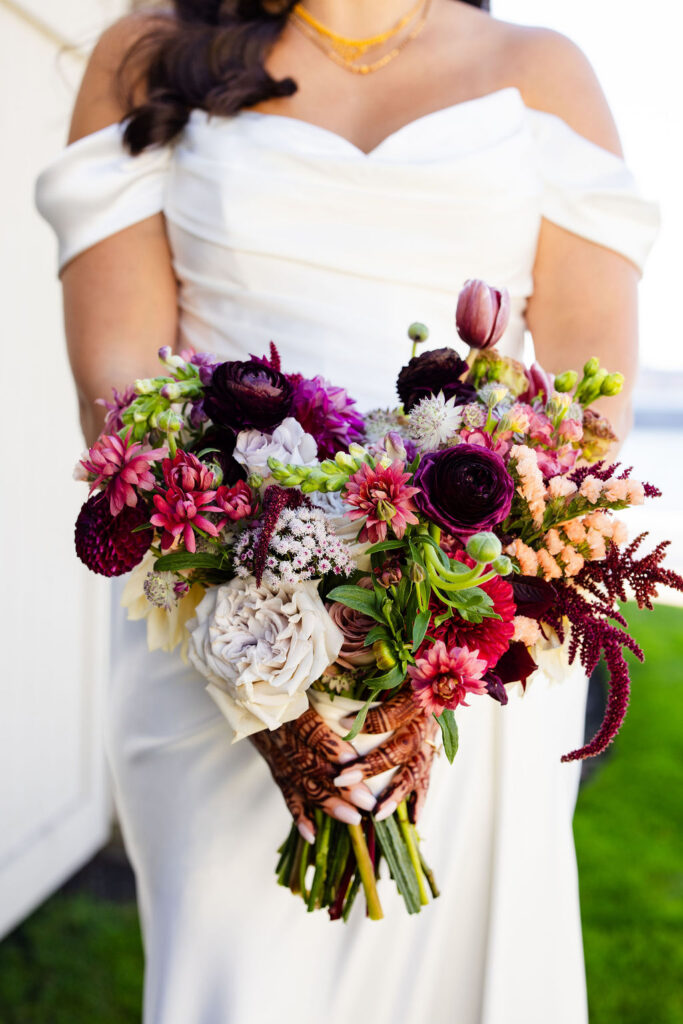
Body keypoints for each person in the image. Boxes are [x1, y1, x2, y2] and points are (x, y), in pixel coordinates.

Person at [35, 2, 659, 1022]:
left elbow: (592, 404)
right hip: (217, 627)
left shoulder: (539, 71)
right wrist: (260, 661)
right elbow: (117, 385)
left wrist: (442, 627)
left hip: (468, 634)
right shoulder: (145, 52)